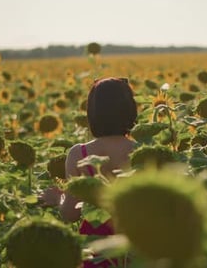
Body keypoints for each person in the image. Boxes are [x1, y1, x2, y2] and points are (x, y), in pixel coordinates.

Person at [40, 77, 138, 267]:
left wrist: (57, 199)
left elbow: (70, 214)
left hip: (96, 249)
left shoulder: (79, 153)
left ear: (92, 113)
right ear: (130, 110)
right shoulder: (142, 151)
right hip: (136, 246)